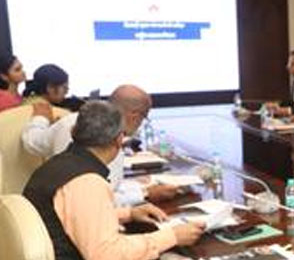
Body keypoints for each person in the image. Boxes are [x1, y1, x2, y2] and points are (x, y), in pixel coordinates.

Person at [22, 100, 207, 260]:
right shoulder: (86, 181)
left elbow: (73, 217)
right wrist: (172, 236)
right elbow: (106, 256)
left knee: (172, 258)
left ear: (73, 131)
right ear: (119, 139)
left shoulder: (58, 166)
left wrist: (128, 214)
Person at [22, 84, 179, 205]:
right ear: (134, 115)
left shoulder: (69, 121)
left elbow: (32, 142)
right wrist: (145, 193)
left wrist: (40, 119)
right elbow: (98, 201)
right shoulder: (106, 142)